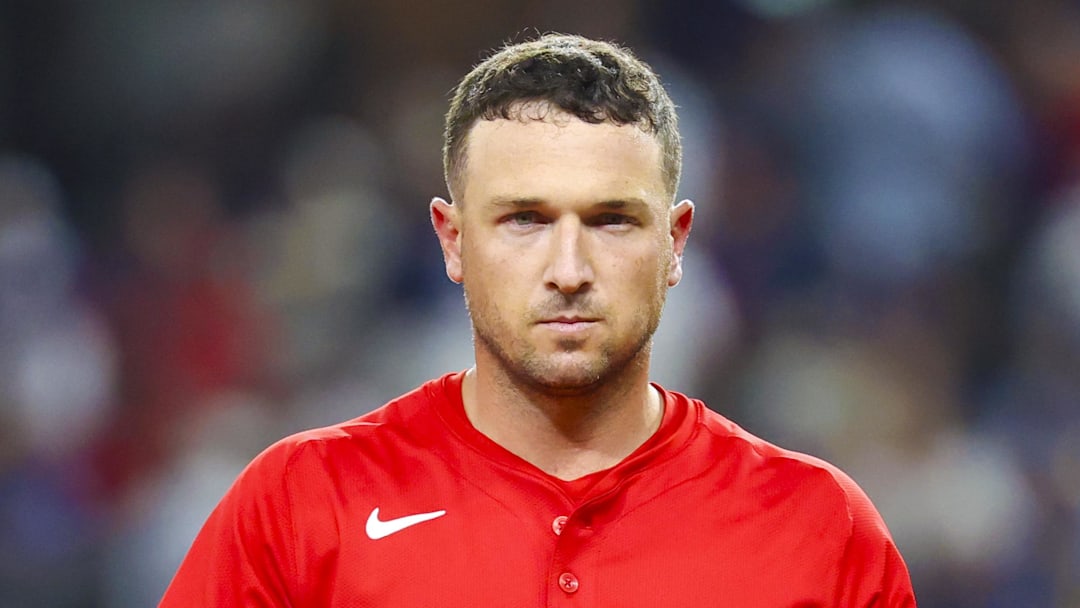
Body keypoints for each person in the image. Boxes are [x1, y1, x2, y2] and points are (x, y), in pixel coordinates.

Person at [159, 33, 916, 606]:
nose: (568, 269)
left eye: (612, 221)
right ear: (452, 240)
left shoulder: (818, 528)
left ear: (676, 242)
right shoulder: (302, 504)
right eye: (524, 219)